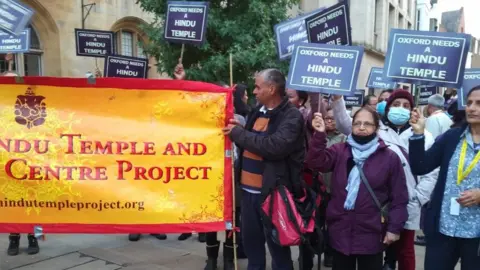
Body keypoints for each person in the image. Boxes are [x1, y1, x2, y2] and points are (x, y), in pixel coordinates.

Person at [330, 89, 438, 270]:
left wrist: (418, 197)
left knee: (405, 250)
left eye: (406, 106)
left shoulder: (424, 136)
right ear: (387, 109)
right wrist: (338, 99)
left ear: (413, 109)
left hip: (408, 200)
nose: (400, 109)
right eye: (396, 105)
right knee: (375, 249)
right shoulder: (376, 129)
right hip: (376, 204)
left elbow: (432, 172)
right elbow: (344, 123)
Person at [307, 107, 408, 270]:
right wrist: (319, 135)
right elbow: (316, 163)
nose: (361, 127)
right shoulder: (340, 150)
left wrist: (394, 228)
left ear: (376, 128)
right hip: (341, 230)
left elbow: (399, 198)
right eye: (357, 123)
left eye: (367, 124)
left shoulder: (389, 158)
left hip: (372, 232)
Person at [223, 68, 305, 270]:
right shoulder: (256, 111)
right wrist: (238, 131)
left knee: (279, 251)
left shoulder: (292, 116)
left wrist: (239, 134)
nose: (254, 91)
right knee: (252, 249)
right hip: (248, 193)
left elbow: (274, 147)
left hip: (273, 195)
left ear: (272, 88)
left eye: (258, 87)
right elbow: (249, 143)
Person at [408, 85, 480, 270]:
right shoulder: (452, 137)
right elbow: (420, 166)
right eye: (470, 103)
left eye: (479, 103)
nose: (472, 108)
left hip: (476, 235)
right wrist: (417, 134)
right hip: (444, 229)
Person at [204, 83, 248, 270]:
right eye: (244, 95)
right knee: (210, 218)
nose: (246, 98)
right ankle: (212, 259)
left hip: (233, 176)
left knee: (233, 218)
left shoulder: (239, 119)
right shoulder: (206, 118)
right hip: (212, 175)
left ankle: (229, 257)